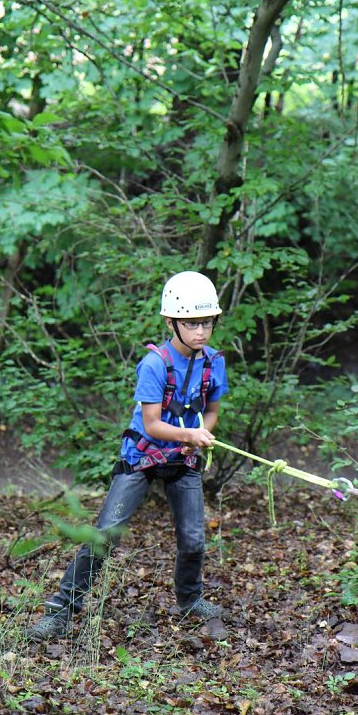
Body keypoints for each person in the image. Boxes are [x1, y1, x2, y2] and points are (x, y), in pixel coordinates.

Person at [26, 271, 229, 642]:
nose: (200, 331)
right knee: (105, 534)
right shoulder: (154, 365)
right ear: (171, 322)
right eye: (191, 323)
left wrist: (198, 437)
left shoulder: (213, 362)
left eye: (207, 322)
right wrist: (188, 434)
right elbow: (152, 424)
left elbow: (211, 410)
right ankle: (59, 612)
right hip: (142, 457)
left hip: (183, 461)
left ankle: (190, 600)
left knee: (194, 539)